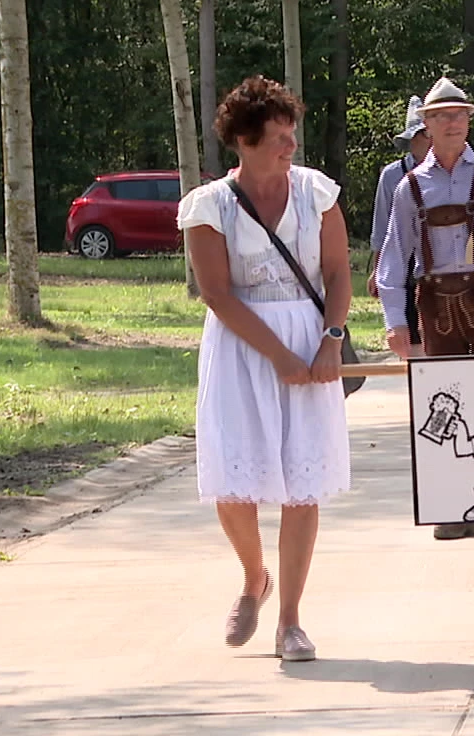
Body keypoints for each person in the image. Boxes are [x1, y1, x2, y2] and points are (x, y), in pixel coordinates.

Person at [178, 76, 352, 663]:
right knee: (236, 483)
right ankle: (254, 575)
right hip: (239, 349)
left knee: (302, 489)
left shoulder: (316, 193)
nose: (290, 146)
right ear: (245, 142)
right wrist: (276, 355)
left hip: (310, 339)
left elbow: (337, 272)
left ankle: (291, 621)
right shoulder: (209, 207)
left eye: (292, 133)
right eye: (278, 136)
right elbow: (217, 294)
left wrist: (331, 339)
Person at [377, 78, 474, 540]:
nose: (452, 123)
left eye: (459, 114)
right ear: (425, 125)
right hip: (435, 303)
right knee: (443, 404)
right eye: (442, 116)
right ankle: (452, 506)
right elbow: (393, 258)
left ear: (469, 120)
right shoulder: (409, 187)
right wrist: (396, 322)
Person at [367, 97, 432, 311]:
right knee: (409, 332)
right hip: (405, 261)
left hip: (440, 262)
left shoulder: (451, 173)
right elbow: (382, 227)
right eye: (421, 135)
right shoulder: (392, 175)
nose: (428, 140)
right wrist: (378, 270)